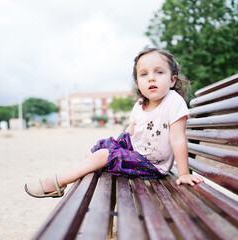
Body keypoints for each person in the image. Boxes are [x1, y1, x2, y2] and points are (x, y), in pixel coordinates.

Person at [24, 48, 204, 198]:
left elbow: (178, 139)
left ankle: (59, 182)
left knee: (105, 155)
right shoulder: (141, 104)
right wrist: (115, 145)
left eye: (159, 72)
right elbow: (131, 130)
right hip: (137, 150)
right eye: (144, 74)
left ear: (172, 80)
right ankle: (83, 173)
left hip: (152, 164)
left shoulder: (173, 102)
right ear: (138, 82)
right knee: (103, 146)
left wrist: (184, 173)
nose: (151, 78)